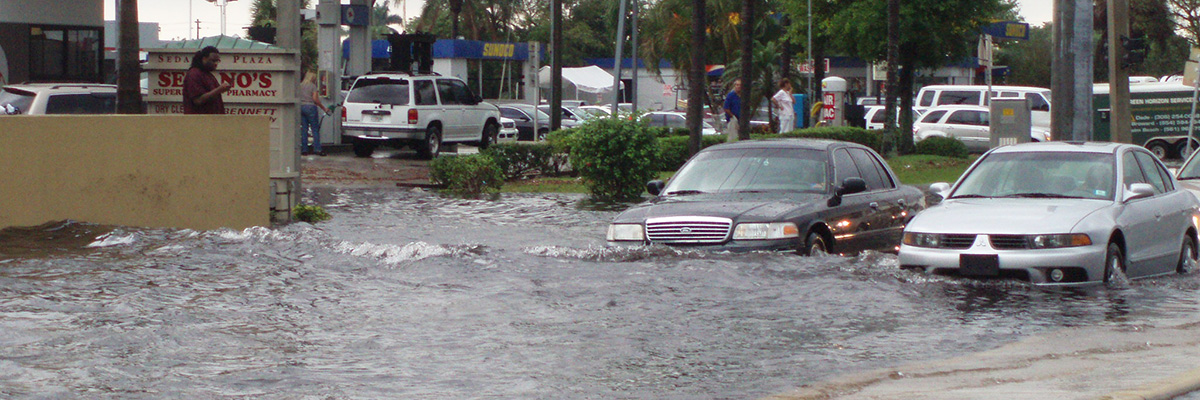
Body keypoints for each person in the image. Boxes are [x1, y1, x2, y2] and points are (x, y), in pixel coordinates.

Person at [182, 46, 231, 115]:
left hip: (212, 121)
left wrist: (221, 89)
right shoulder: (194, 74)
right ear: (204, 59)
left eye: (217, 61)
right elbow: (198, 100)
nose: (216, 63)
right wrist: (219, 89)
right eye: (213, 60)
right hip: (199, 122)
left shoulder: (208, 75)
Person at [299, 71, 331, 156]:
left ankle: (304, 149)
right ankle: (317, 149)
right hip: (311, 107)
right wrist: (323, 108)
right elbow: (315, 99)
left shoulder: (300, 85)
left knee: (304, 129)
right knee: (315, 129)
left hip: (301, 107)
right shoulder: (313, 86)